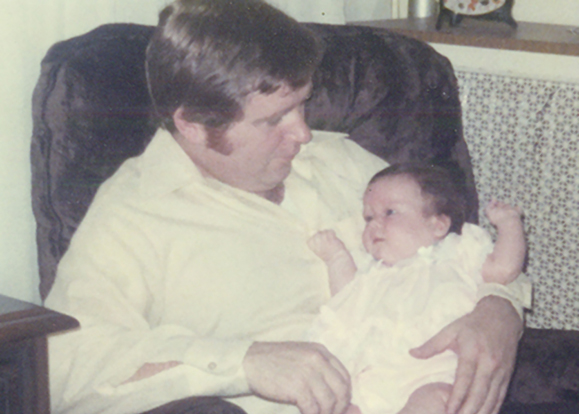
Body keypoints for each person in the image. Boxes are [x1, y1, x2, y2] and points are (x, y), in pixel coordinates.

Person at [44, 1, 530, 414]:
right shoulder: (135, 214)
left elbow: (455, 248)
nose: (302, 132)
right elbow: (63, 364)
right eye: (274, 119)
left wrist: (499, 310)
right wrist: (245, 362)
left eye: (302, 105)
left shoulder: (337, 160)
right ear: (192, 125)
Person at [306, 163, 529, 414]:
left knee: (434, 400)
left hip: (431, 375)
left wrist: (510, 224)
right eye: (368, 217)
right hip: (369, 381)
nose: (374, 224)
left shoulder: (457, 252)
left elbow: (503, 271)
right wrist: (336, 257)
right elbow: (345, 298)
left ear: (437, 225)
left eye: (390, 212)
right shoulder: (372, 270)